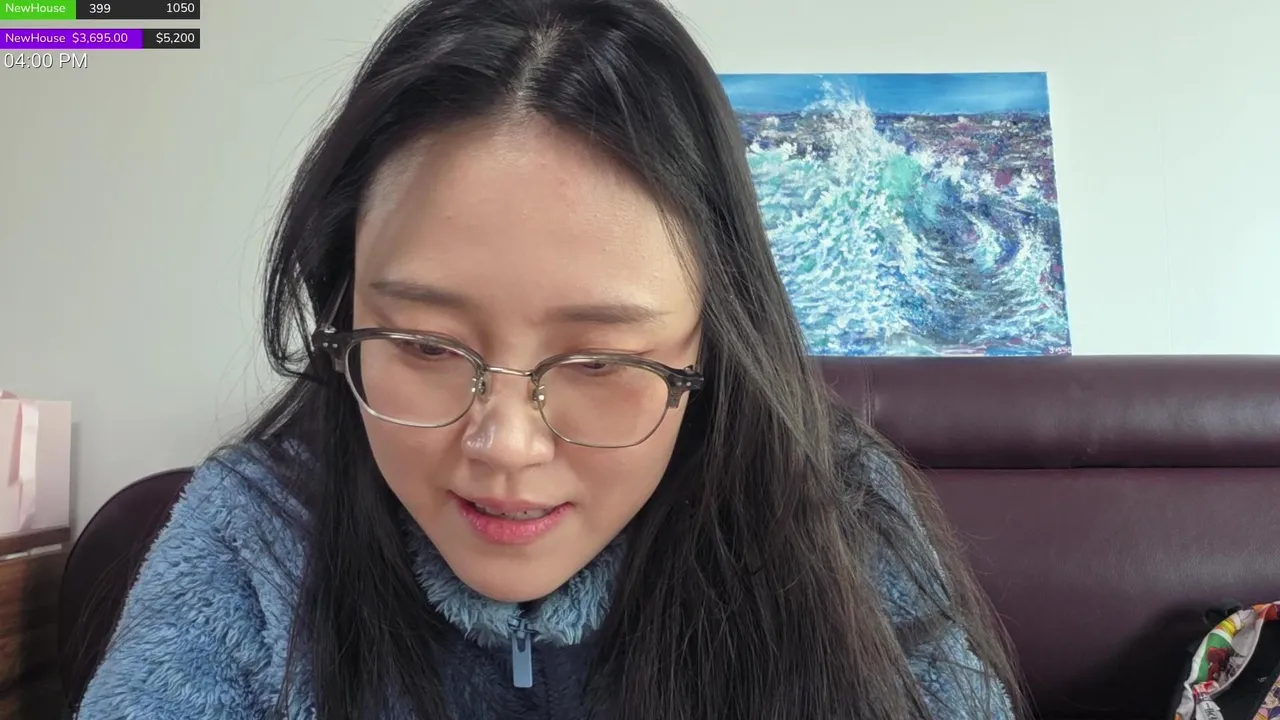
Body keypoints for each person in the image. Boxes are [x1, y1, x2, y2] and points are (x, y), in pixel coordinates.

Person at [78, 0, 1022, 717]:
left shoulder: (835, 513)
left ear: (714, 339)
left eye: (602, 361)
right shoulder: (257, 538)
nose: (506, 446)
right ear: (342, 303)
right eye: (422, 344)